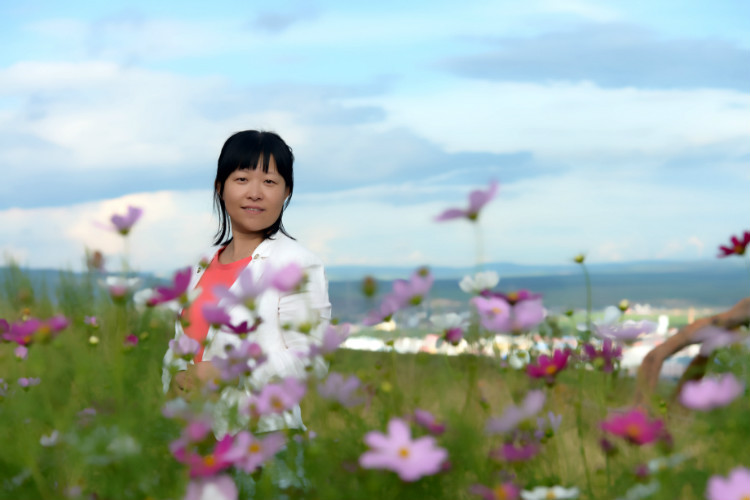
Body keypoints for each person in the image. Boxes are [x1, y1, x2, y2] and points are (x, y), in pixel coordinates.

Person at [162, 130, 331, 436]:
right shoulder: (203, 262)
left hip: (260, 438)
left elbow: (311, 362)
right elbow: (183, 347)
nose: (255, 193)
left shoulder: (297, 263)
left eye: (270, 182)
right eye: (242, 179)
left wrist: (225, 371)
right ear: (220, 187)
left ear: (287, 192)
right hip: (190, 436)